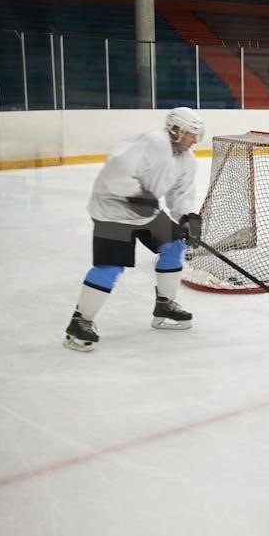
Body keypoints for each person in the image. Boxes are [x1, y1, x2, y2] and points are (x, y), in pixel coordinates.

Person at [62, 107, 205, 352]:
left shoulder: (186, 161)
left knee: (174, 246)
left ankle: (164, 305)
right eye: (191, 135)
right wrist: (137, 195)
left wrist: (187, 218)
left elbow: (181, 194)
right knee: (110, 266)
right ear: (176, 130)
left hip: (145, 212)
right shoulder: (152, 142)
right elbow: (116, 171)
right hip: (113, 210)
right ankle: (79, 322)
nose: (195, 141)